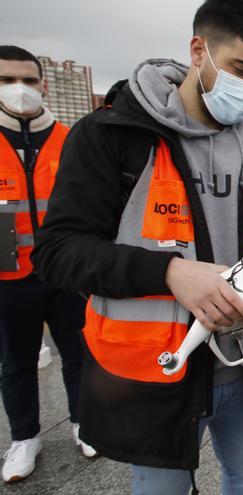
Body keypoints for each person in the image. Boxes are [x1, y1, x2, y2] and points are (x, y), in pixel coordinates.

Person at [31, 1, 243, 493]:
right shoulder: (112, 136)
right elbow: (58, 252)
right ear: (199, 51)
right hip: (155, 374)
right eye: (240, 69)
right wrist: (169, 272)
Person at [0, 45, 95, 483]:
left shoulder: (67, 138)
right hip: (8, 272)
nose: (20, 89)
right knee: (16, 360)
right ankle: (24, 437)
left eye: (28, 79)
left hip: (65, 268)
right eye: (6, 80)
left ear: (44, 84)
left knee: (78, 351)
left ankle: (83, 421)